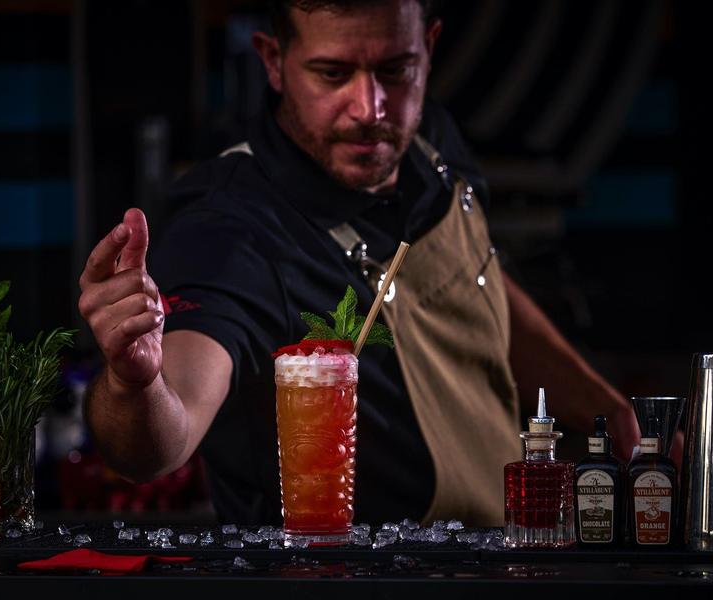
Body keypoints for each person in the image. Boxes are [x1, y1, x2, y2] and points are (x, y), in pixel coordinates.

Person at [79, 0, 641, 526]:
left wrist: (608, 412)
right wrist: (137, 383)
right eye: (331, 73)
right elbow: (155, 448)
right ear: (275, 62)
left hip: (504, 557)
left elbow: (479, 284)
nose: (370, 108)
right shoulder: (228, 230)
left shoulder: (431, 141)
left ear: (429, 46)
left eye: (396, 71)